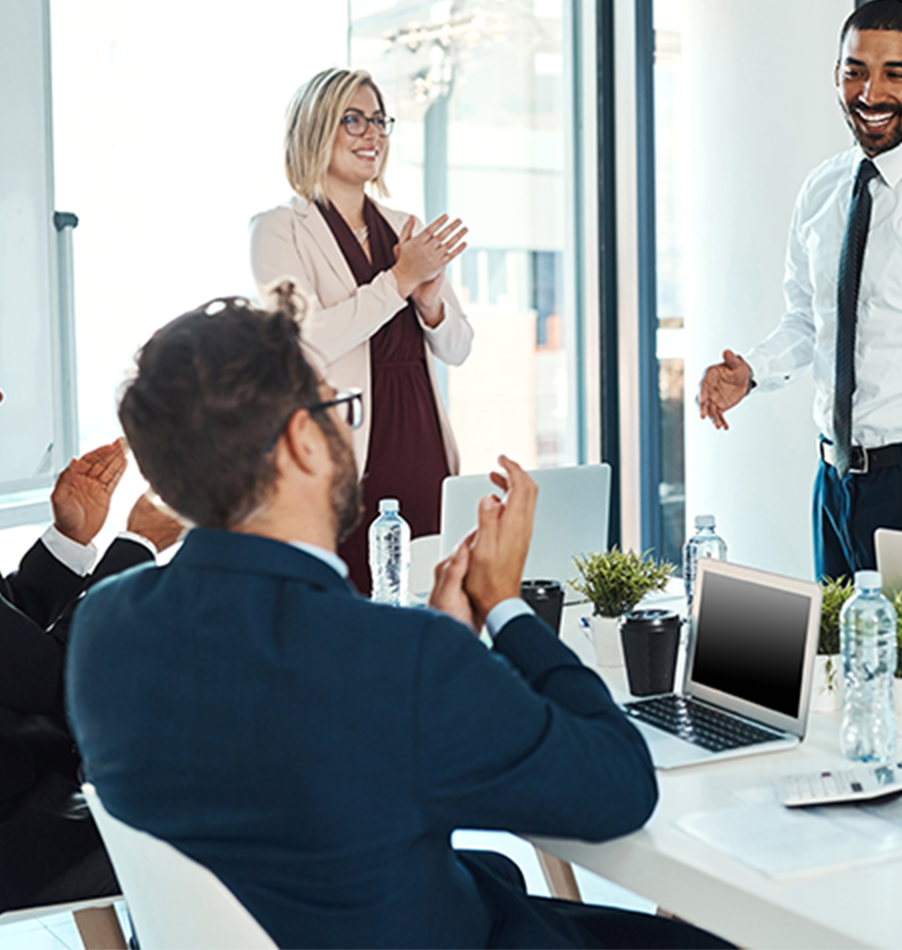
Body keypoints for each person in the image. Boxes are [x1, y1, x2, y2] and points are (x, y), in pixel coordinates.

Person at [66, 290, 730, 949]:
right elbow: (619, 788)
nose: (349, 433)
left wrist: (444, 652)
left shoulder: (103, 627)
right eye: (338, 408)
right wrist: (505, 605)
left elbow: (306, 784)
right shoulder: (393, 659)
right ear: (303, 442)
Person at [697, 0, 902, 580]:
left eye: (896, 73)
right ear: (837, 75)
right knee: (832, 642)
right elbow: (809, 318)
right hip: (834, 484)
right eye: (856, 71)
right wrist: (753, 371)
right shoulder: (823, 189)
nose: (871, 93)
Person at [251, 67, 474, 593]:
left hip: (422, 439)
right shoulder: (278, 229)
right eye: (353, 120)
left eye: (379, 120)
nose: (372, 134)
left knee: (429, 598)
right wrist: (399, 281)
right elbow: (304, 344)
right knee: (350, 604)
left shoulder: (402, 226)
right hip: (345, 453)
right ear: (314, 128)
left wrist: (431, 303)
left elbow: (459, 348)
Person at [0, 415, 182, 911]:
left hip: (30, 780)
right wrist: (139, 545)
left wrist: (69, 539)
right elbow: (62, 678)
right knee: (215, 824)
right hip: (17, 830)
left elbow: (12, 642)